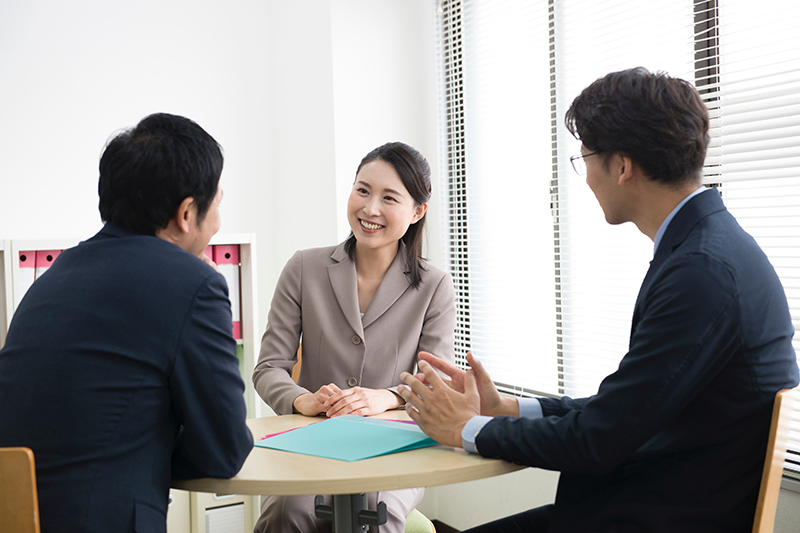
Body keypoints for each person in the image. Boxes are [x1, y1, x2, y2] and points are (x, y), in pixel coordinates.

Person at [398, 68, 800, 532]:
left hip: (659, 517)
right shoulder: (711, 247)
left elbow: (600, 440)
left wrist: (465, 429)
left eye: (585, 156)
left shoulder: (702, 271)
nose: (585, 175)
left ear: (622, 166)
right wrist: (508, 408)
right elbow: (628, 407)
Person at [0, 113, 253, 533]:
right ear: (187, 213)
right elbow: (225, 451)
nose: (218, 220)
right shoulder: (194, 283)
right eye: (218, 202)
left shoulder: (54, 277)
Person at [252, 141, 456, 533]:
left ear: (417, 211)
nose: (370, 208)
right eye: (362, 190)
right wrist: (301, 399)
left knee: (378, 518)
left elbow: (438, 381)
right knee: (287, 513)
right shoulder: (303, 268)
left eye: (389, 198)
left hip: (394, 445)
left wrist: (388, 396)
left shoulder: (434, 285)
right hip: (311, 441)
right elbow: (269, 367)